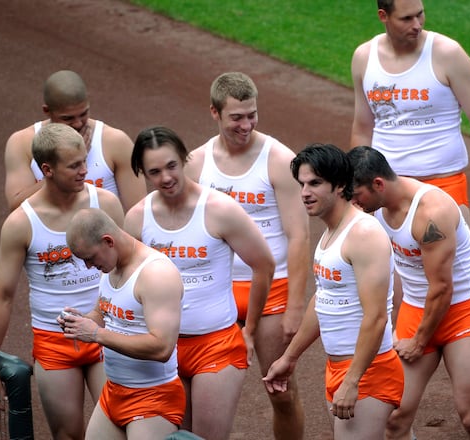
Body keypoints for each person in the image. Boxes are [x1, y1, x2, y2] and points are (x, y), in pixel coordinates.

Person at [123, 126, 275, 440]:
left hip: (216, 346)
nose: (166, 177)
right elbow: (126, 282)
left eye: (171, 166)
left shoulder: (220, 209)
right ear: (143, 173)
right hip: (165, 350)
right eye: (154, 172)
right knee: (175, 438)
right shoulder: (137, 219)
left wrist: (249, 330)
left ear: (184, 159)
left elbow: (264, 264)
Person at [184, 71, 309, 439]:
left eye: (252, 115)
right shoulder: (196, 164)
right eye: (236, 117)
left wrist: (296, 306)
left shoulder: (278, 160)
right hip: (215, 289)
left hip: (272, 290)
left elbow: (299, 235)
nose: (246, 125)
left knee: (280, 390)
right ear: (215, 112)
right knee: (194, 388)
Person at [0, 123, 125, 439]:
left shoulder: (105, 205)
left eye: (85, 161)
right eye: (74, 165)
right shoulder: (21, 223)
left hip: (105, 332)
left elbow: (130, 269)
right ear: (47, 169)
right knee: (67, 434)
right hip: (54, 341)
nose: (84, 171)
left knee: (117, 429)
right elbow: (3, 295)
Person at [347, 146, 470, 440]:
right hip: (415, 309)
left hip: (462, 310)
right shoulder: (372, 208)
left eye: (357, 195)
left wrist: (419, 341)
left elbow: (442, 287)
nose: (354, 203)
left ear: (378, 184)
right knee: (394, 420)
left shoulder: (431, 213)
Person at [263, 143, 404, 440]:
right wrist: (290, 357)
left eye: (315, 183)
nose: (305, 192)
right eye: (302, 184)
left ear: (340, 185)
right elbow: (324, 299)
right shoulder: (330, 234)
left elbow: (376, 317)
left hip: (368, 372)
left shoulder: (363, 234)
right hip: (340, 367)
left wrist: (352, 380)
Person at [349, 0, 470, 247]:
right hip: (385, 191)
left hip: (444, 186)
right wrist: (356, 190)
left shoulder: (447, 54)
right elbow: (362, 128)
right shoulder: (364, 58)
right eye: (406, 19)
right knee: (384, 269)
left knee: (448, 269)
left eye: (420, 15)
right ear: (383, 16)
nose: (417, 25)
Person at [60, 207, 185, 439]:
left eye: (89, 258)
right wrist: (80, 322)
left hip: (153, 398)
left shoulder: (157, 274)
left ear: (108, 241)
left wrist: (96, 335)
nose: (88, 267)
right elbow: (102, 314)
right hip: (113, 392)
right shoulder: (110, 266)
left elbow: (162, 347)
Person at [4, 70, 146, 212]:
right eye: (68, 118)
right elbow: (16, 207)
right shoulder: (22, 143)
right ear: (47, 111)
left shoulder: (116, 142)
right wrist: (61, 169)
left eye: (83, 114)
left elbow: (140, 213)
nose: (78, 124)